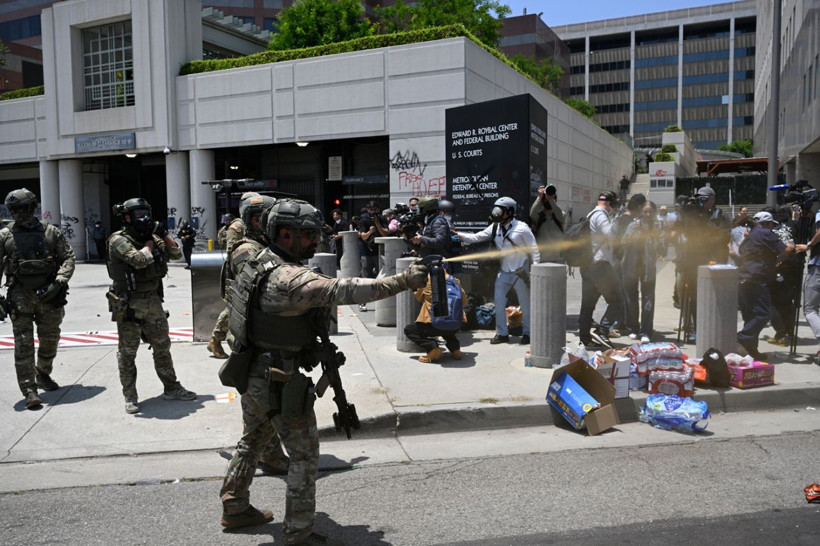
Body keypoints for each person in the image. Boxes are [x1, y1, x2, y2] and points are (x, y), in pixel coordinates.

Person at [218, 198, 428, 543]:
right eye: (310, 235)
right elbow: (342, 289)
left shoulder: (255, 258)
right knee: (303, 455)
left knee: (252, 439)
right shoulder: (289, 279)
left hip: (251, 367)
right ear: (285, 234)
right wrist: (404, 280)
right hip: (278, 377)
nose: (317, 242)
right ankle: (298, 533)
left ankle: (235, 506)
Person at [107, 198, 196, 414]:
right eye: (138, 214)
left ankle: (171, 388)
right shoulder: (118, 240)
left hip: (153, 300)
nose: (144, 218)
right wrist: (148, 243)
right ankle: (130, 396)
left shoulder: (154, 237)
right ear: (127, 217)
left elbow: (176, 254)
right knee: (128, 352)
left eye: (145, 213)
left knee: (162, 345)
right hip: (129, 303)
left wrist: (162, 233)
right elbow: (137, 260)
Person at [0, 188, 75, 410]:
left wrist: (60, 282)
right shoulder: (5, 236)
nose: (19, 214)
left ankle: (42, 373)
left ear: (33, 208)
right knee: (23, 345)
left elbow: (68, 258)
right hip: (20, 296)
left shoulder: (51, 233)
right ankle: (29, 390)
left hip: (49, 294)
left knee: (50, 340)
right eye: (14, 210)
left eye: (23, 209)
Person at [455, 196, 539, 345]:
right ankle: (502, 333)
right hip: (504, 271)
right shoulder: (495, 227)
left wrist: (536, 270)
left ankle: (528, 333)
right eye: (496, 210)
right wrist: (458, 235)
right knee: (499, 303)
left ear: (510, 212)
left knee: (525, 304)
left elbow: (534, 249)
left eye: (500, 211)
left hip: (520, 272)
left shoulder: (522, 228)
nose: (497, 213)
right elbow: (476, 237)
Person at [208, 193, 267, 359]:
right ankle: (215, 340)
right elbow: (232, 250)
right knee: (233, 307)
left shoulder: (257, 223)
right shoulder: (238, 226)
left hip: (251, 269)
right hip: (238, 272)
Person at [737, 211, 794, 360]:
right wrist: (792, 246)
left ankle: (751, 350)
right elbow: (785, 250)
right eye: (771, 225)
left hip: (743, 278)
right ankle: (742, 337)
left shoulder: (751, 236)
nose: (772, 228)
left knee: (750, 317)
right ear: (767, 223)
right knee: (763, 314)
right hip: (757, 279)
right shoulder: (765, 233)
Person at [676, 186, 729, 342]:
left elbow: (725, 236)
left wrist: (706, 240)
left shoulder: (719, 216)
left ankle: (714, 327)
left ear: (712, 199)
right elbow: (684, 231)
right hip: (694, 260)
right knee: (694, 295)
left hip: (715, 260)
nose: (701, 202)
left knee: (714, 297)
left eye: (704, 199)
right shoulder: (693, 214)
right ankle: (696, 329)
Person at [577, 191, 622, 349]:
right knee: (617, 299)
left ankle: (584, 338)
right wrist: (616, 217)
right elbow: (610, 234)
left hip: (589, 265)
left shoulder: (591, 214)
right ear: (610, 204)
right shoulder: (601, 215)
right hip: (600, 266)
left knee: (588, 304)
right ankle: (602, 330)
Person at [404, 269, 468, 363]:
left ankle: (432, 348)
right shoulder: (454, 280)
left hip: (433, 324)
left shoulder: (427, 280)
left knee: (409, 330)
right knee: (446, 325)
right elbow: (464, 300)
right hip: (456, 324)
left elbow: (419, 297)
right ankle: (455, 350)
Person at [621, 201, 660, 343]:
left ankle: (646, 331)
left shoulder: (656, 227)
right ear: (640, 212)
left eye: (650, 212)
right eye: (645, 211)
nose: (648, 214)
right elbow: (624, 242)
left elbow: (662, 247)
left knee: (648, 300)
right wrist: (634, 232)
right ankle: (633, 328)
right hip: (631, 267)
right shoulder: (633, 225)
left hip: (648, 268)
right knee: (631, 298)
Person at [529, 184, 565, 263]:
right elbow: (532, 214)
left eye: (552, 200)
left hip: (558, 259)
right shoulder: (539, 217)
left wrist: (551, 200)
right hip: (542, 259)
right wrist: (539, 197)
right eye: (546, 200)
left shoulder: (560, 216)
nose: (548, 201)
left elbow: (560, 214)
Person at [411, 196, 455, 260]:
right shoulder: (429, 221)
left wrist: (421, 238)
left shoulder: (438, 221)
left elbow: (439, 242)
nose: (419, 211)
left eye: (421, 209)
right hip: (429, 259)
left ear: (425, 209)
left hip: (438, 262)